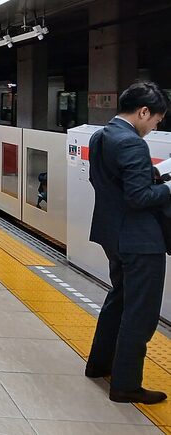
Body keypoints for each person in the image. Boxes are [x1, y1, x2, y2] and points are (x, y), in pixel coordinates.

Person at [85, 81, 171, 404]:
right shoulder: (133, 144)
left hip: (112, 235)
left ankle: (99, 365)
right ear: (143, 111)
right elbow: (139, 197)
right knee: (141, 312)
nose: (154, 127)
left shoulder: (101, 135)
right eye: (155, 120)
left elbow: (106, 183)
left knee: (119, 300)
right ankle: (126, 384)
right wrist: (168, 188)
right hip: (140, 241)